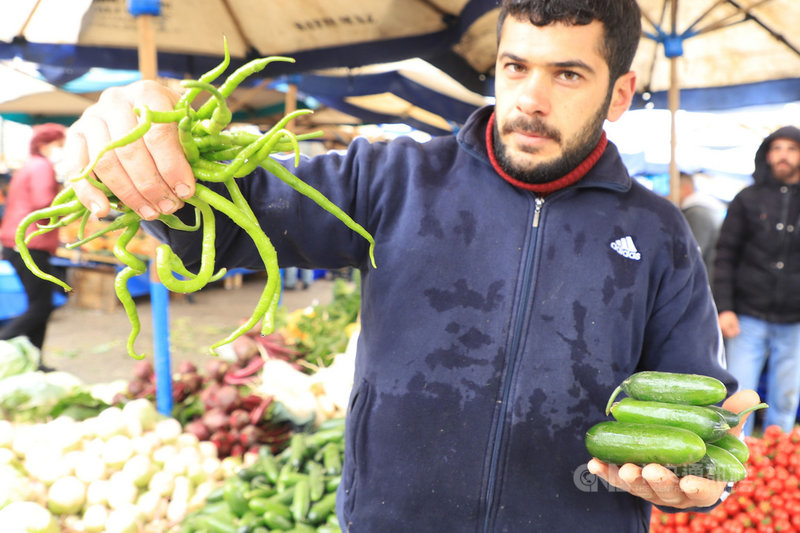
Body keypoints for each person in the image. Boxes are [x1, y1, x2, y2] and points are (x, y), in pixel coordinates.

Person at [64, 1, 760, 530]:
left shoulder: (659, 233)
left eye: (568, 74)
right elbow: (223, 209)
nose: (529, 99)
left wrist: (704, 478)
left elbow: (701, 400)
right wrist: (137, 136)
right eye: (515, 66)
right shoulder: (391, 176)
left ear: (620, 92)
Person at [714, 125, 800, 436]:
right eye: (777, 149)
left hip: (794, 320)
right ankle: (736, 465)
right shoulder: (747, 199)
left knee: (787, 398)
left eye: (791, 148)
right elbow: (724, 255)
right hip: (747, 317)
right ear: (767, 155)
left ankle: (780, 465)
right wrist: (724, 307)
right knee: (738, 399)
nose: (783, 155)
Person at [0, 123, 66, 370]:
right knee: (42, 304)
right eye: (59, 145)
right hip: (29, 243)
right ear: (44, 144)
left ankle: (35, 360)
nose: (61, 150)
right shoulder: (42, 166)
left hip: (21, 241)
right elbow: (44, 202)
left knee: (41, 303)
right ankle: (5, 342)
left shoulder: (28, 165)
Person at [678, 172, 724, 286]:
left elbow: (692, 254)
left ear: (686, 189)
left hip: (705, 283)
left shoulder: (696, 213)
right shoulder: (708, 209)